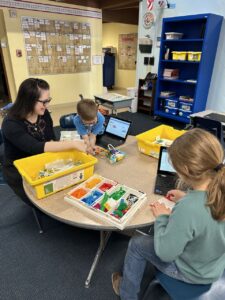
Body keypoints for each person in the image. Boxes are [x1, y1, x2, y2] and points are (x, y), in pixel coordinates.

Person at [112, 128, 225, 300]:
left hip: (191, 273)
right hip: (213, 266)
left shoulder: (188, 208)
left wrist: (163, 217)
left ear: (185, 170)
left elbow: (165, 253)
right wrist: (186, 197)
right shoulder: (219, 191)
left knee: (137, 244)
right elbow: (206, 213)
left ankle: (127, 294)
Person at [1, 78, 87, 207]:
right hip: (18, 168)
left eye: (49, 100)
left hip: (41, 160)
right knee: (45, 203)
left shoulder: (43, 113)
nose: (47, 105)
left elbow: (50, 138)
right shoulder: (10, 123)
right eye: (44, 101)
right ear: (28, 100)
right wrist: (73, 144)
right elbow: (35, 147)